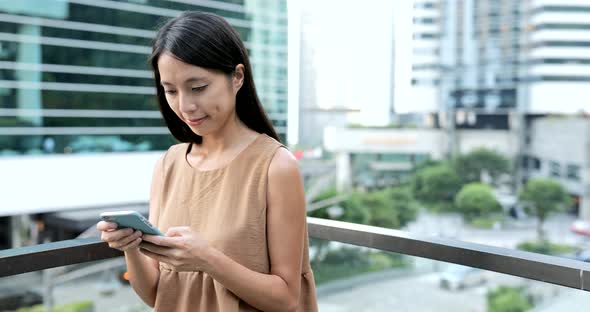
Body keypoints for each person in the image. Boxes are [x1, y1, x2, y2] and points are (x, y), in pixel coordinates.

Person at [96, 11, 318, 312]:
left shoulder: (275, 166)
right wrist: (131, 248)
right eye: (171, 91)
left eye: (198, 87)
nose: (185, 106)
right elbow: (158, 294)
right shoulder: (168, 165)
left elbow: (287, 299)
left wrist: (207, 260)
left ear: (237, 77)